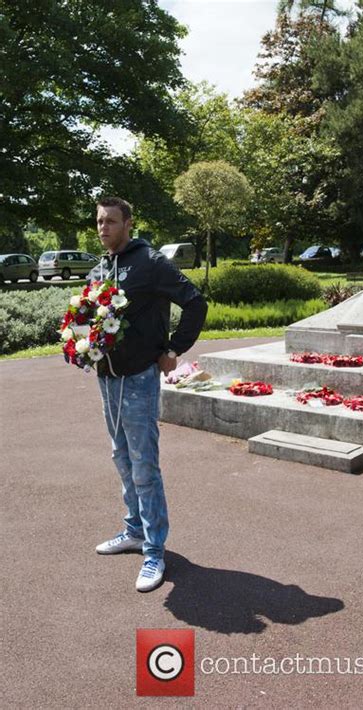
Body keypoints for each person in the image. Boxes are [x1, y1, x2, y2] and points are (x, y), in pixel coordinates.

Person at [89, 196, 207, 592]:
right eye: (100, 221)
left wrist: (174, 348)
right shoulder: (100, 268)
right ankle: (135, 531)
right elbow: (90, 319)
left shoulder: (152, 263)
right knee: (121, 457)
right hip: (107, 377)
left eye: (111, 221)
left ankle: (155, 549)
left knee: (143, 464)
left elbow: (195, 303)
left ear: (128, 223)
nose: (103, 228)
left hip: (139, 378)